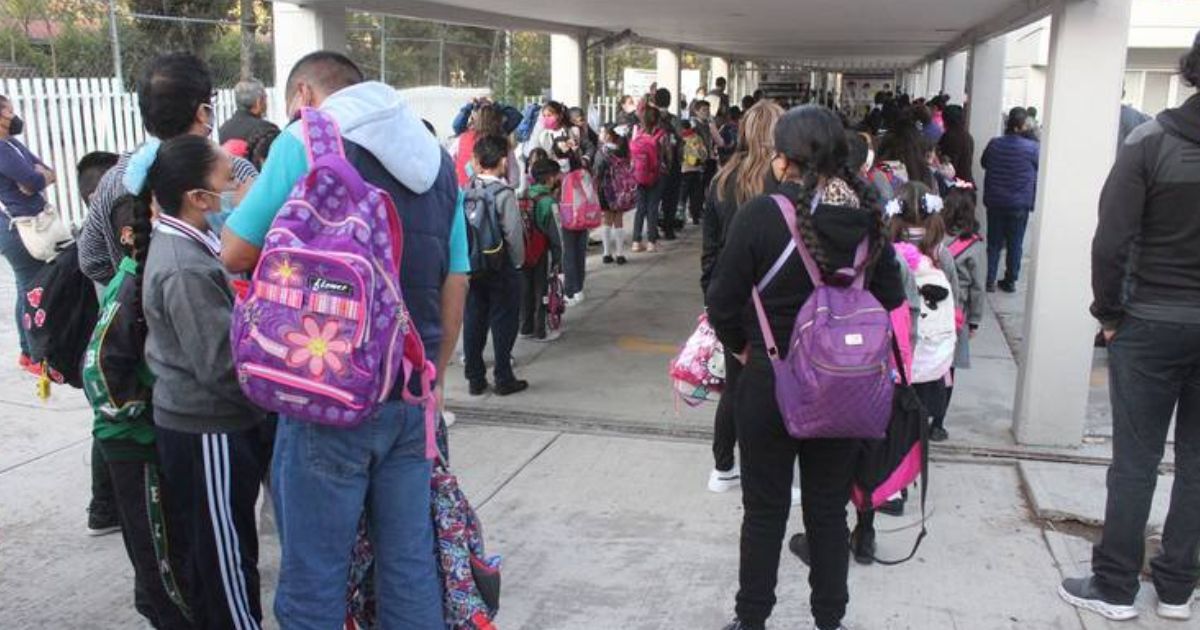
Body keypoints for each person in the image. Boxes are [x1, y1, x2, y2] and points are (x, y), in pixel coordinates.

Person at [221, 51, 464, 628]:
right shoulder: (439, 160)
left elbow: (235, 251)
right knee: (409, 564)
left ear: (304, 94)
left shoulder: (306, 140)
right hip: (410, 392)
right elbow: (457, 277)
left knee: (315, 573)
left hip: (324, 395)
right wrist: (437, 374)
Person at [706, 106, 904, 630]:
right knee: (827, 511)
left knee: (765, 510)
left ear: (783, 161)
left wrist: (746, 351)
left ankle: (751, 620)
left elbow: (721, 301)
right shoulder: (867, 217)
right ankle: (829, 620)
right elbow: (891, 298)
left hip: (771, 382)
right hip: (845, 387)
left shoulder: (761, 216)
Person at [1060, 36, 1200, 623]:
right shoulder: (1152, 139)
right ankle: (1175, 587)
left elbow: (1110, 241)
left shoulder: (1151, 141)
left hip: (1150, 322)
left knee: (1135, 461)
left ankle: (1116, 584)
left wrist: (1109, 316)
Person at [139, 135, 268, 629]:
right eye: (228, 182)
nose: (237, 191)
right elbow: (221, 365)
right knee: (225, 558)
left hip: (213, 425)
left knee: (226, 541)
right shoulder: (184, 267)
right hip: (206, 428)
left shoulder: (195, 245)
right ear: (199, 198)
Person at [82, 192, 192, 629]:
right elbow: (99, 369)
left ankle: (160, 608)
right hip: (134, 442)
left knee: (160, 539)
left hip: (150, 435)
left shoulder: (147, 277)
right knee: (158, 549)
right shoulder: (130, 284)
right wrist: (138, 413)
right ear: (132, 234)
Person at [79, 53, 258, 286]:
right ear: (203, 111)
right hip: (221, 311)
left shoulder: (115, 178)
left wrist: (138, 290)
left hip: (145, 318)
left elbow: (90, 259)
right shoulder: (235, 173)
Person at [700, 99, 784, 494]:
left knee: (734, 387)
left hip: (730, 301)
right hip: (777, 302)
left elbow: (710, 253)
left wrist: (713, 306)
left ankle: (722, 466)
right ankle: (770, 471)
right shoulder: (784, 181)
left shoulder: (721, 179)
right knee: (781, 388)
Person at [888, 181, 960, 443]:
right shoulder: (941, 253)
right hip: (930, 358)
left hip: (894, 356)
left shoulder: (886, 251)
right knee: (917, 427)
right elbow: (955, 298)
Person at [463, 134, 528, 397]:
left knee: (474, 319)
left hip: (472, 264)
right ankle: (503, 376)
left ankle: (475, 379)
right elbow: (513, 234)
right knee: (504, 320)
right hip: (500, 266)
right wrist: (518, 263)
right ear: (503, 161)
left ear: (477, 161)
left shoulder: (466, 191)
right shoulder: (504, 194)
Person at [0, 94, 53, 372]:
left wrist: (38, 177)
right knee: (32, 286)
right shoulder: (2, 149)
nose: (14, 115)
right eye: (10, 110)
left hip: (26, 224)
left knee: (27, 286)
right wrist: (36, 178)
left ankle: (27, 352)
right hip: (15, 228)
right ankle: (34, 355)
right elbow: (33, 178)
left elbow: (48, 173)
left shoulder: (12, 144)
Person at [981, 107, 1039, 293]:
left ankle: (989, 280)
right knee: (1015, 242)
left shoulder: (994, 144)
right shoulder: (1032, 148)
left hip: (996, 201)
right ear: (1021, 126)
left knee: (994, 243)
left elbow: (984, 163)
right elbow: (1040, 167)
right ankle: (1010, 280)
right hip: (1019, 204)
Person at [940, 183, 985, 425]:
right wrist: (975, 320)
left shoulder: (933, 235)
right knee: (950, 367)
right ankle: (938, 423)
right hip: (957, 313)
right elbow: (978, 287)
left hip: (930, 308)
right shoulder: (974, 246)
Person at [521, 159, 564, 341]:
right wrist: (558, 258)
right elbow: (556, 235)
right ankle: (541, 331)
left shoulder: (523, 195)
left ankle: (525, 328)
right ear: (550, 178)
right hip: (541, 252)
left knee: (525, 290)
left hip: (523, 251)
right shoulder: (549, 201)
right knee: (541, 290)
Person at [594, 124, 632, 265]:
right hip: (621, 189)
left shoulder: (603, 152)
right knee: (619, 219)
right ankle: (620, 254)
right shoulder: (623, 150)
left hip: (606, 188)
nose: (600, 135)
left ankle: (606, 253)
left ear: (609, 135)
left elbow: (597, 171)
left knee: (607, 219)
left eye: (602, 132)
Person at [631, 106, 666, 253]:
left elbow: (632, 155)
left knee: (640, 209)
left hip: (639, 176)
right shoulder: (661, 135)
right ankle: (652, 242)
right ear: (657, 119)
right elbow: (665, 154)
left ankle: (636, 242)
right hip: (655, 175)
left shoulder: (637, 133)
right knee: (652, 208)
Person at [653, 88, 684, 239]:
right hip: (672, 164)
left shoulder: (650, 117)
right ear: (670, 100)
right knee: (671, 198)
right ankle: (668, 229)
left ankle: (652, 231)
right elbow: (680, 139)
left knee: (654, 199)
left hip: (654, 164)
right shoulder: (674, 119)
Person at [218, 78, 279, 147]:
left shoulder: (223, 130)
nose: (266, 103)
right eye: (265, 98)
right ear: (258, 102)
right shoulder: (267, 130)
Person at [679, 119, 709, 226]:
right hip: (697, 170)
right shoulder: (697, 138)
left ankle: (680, 218)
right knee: (695, 195)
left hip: (684, 170)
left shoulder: (681, 138)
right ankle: (695, 217)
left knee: (683, 196)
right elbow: (705, 154)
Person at [938, 105, 975, 184]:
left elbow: (948, 165)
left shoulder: (949, 137)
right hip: (966, 182)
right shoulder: (967, 136)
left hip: (955, 185)